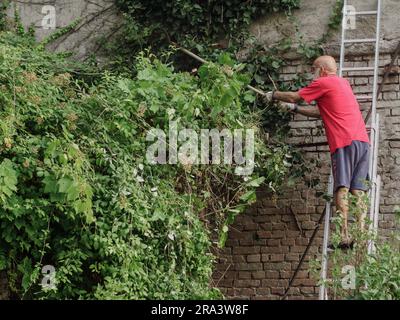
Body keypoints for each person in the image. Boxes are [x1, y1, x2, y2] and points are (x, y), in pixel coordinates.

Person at [263, 55, 370, 249]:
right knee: (358, 190)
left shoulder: (323, 81)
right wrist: (295, 109)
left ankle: (344, 237)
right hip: (362, 140)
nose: (312, 73)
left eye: (313, 68)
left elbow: (295, 95)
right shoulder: (342, 84)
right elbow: (321, 112)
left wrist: (274, 94)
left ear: (321, 70)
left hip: (343, 141)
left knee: (342, 188)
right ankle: (362, 234)